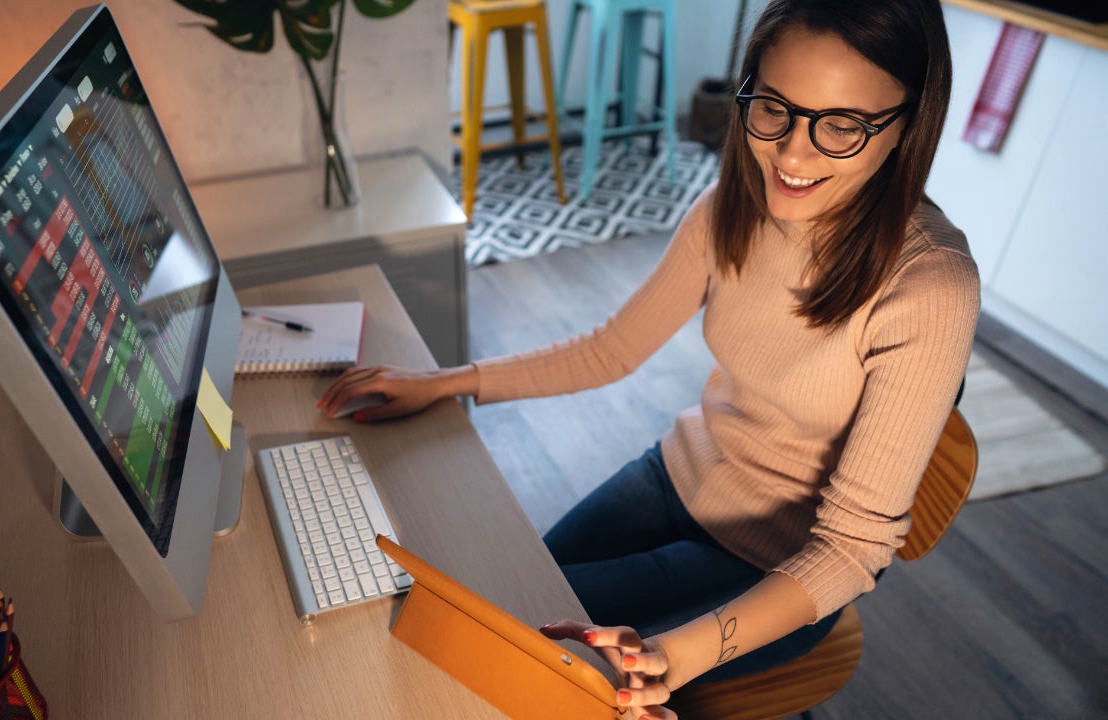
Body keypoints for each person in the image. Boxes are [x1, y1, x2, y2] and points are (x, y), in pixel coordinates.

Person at [320, 0, 978, 716]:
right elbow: (612, 348)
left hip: (774, 568)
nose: (790, 154)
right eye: (773, 108)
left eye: (842, 125)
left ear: (910, 122)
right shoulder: (733, 202)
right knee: (494, 599)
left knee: (516, 651)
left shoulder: (929, 285)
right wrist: (446, 381)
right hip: (675, 477)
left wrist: (680, 652)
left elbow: (852, 549)